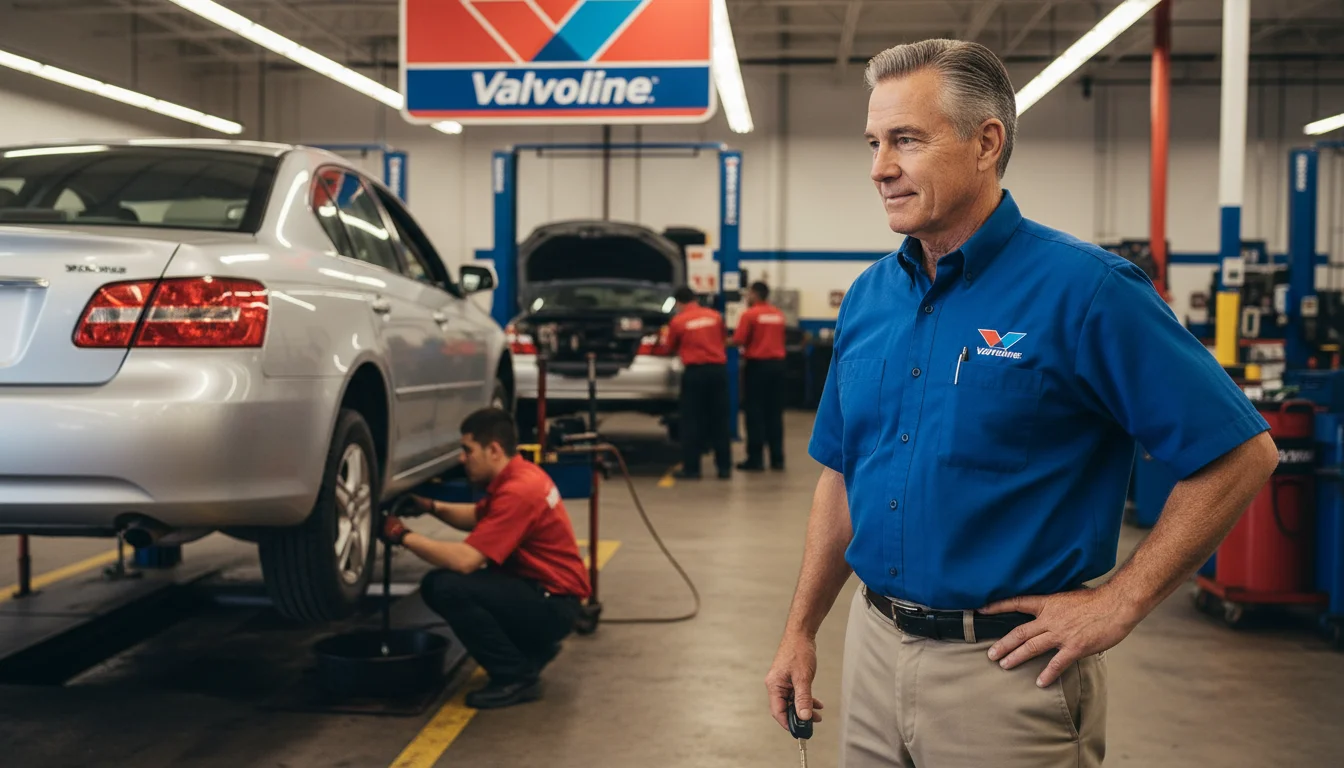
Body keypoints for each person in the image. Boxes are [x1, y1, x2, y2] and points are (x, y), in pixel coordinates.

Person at [764, 39, 1279, 768]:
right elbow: (842, 476)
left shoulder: (1089, 292)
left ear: (987, 142)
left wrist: (1120, 600)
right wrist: (801, 629)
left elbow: (1240, 452)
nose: (880, 167)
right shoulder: (871, 297)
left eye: (906, 140)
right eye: (875, 142)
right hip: (872, 649)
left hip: (1004, 675)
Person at [382, 407, 591, 710]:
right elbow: (478, 516)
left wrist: (402, 536)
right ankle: (534, 646)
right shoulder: (520, 474)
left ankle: (516, 676)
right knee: (470, 582)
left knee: (444, 586)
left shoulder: (519, 490)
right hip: (551, 594)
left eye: (468, 450)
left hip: (554, 604)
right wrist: (430, 506)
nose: (461, 458)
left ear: (493, 450)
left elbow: (466, 560)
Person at [665, 285, 732, 480]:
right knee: (720, 420)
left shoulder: (678, 321)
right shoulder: (715, 316)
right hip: (718, 372)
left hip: (695, 374)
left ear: (678, 302)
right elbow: (722, 340)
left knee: (692, 421)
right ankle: (724, 468)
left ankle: (692, 469)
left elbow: (670, 347)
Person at [730, 280, 788, 471]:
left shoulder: (750, 314)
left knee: (754, 413)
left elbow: (739, 339)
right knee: (774, 413)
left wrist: (721, 342)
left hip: (757, 367)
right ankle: (777, 458)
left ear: (755, 294)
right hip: (778, 367)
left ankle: (755, 459)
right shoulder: (778, 315)